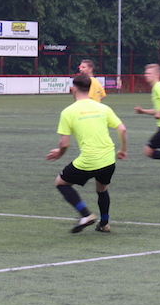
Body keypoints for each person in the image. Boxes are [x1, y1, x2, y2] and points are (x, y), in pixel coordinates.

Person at [46, 73, 127, 233]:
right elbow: (122, 130)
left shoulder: (68, 112)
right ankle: (104, 224)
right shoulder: (103, 108)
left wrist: (60, 153)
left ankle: (86, 214)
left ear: (74, 89)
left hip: (89, 160)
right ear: (90, 89)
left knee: (61, 183)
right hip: (108, 159)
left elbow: (64, 143)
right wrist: (122, 150)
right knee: (102, 189)